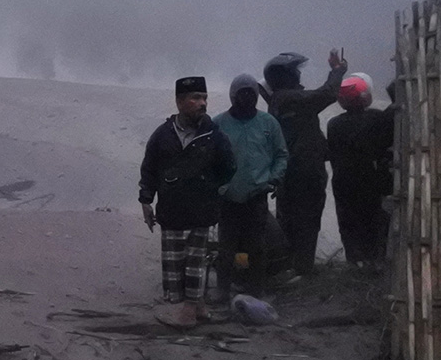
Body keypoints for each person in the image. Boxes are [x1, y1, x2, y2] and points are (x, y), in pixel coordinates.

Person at [139, 76, 236, 328]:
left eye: (204, 97)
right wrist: (145, 201)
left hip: (201, 210)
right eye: (195, 98)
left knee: (196, 261)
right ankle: (199, 306)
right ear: (180, 101)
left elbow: (229, 167)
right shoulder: (162, 135)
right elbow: (149, 169)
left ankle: (188, 312)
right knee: (175, 262)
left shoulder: (213, 135)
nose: (202, 103)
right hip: (171, 210)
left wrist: (210, 187)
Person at [262, 48, 348, 276]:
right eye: (295, 72)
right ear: (287, 76)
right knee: (307, 221)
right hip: (305, 171)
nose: (299, 75)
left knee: (290, 220)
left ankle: (289, 268)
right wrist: (338, 70)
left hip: (290, 172)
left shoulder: (279, 100)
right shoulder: (290, 99)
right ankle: (301, 270)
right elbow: (328, 93)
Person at [212, 73, 288, 298]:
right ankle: (222, 290)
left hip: (257, 194)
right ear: (232, 96)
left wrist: (274, 178)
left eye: (251, 93)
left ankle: (256, 289)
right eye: (241, 94)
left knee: (257, 246)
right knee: (226, 246)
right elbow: (208, 158)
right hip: (228, 196)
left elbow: (281, 155)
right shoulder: (218, 124)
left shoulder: (268, 123)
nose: (246, 98)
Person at [326, 72, 394, 266]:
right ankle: (375, 260)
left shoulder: (334, 124)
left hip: (343, 182)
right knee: (373, 220)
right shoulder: (376, 118)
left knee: (348, 224)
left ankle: (355, 262)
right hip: (370, 181)